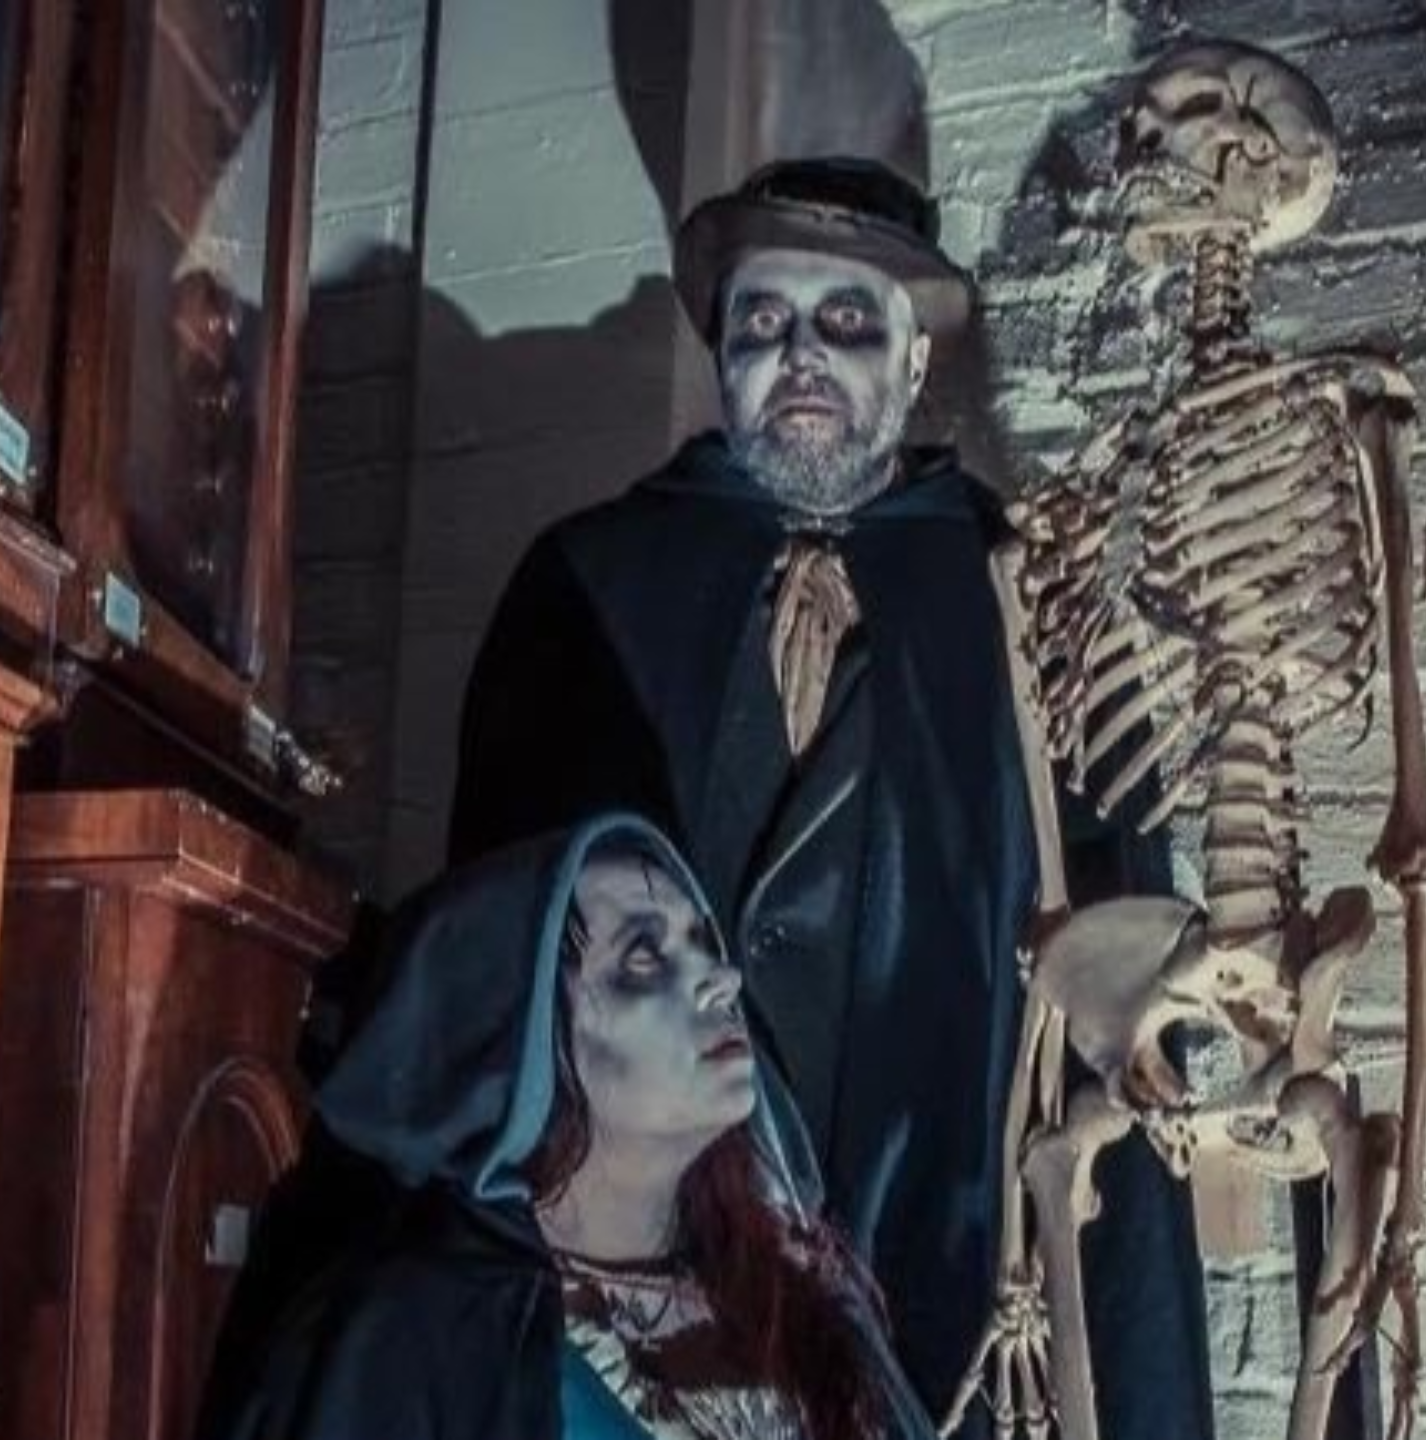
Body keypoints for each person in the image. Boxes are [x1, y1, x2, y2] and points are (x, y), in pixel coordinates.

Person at [448, 159, 1213, 1437]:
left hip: (959, 1278)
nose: (801, 353)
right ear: (723, 355)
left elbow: (1129, 1015)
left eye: (847, 319)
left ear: (914, 362)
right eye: (763, 320)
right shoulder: (583, 593)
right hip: (658, 1310)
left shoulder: (1044, 613)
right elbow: (491, 996)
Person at [203, 814, 936, 1440]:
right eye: (644, 958)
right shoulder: (418, 1339)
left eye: (703, 943)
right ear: (521, 1038)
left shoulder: (787, 1292)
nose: (723, 980)